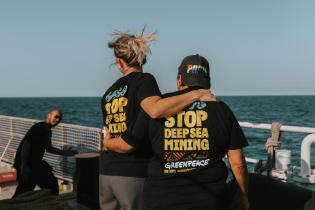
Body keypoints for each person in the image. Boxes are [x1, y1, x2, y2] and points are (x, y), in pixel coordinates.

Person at [104, 54, 249, 210]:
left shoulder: (159, 107)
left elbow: (129, 143)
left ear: (179, 79)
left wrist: (107, 142)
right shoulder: (221, 109)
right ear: (207, 82)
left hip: (160, 199)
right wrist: (243, 195)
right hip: (209, 200)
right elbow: (237, 162)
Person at [100, 28, 216, 210]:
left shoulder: (109, 94)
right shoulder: (144, 80)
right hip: (132, 174)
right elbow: (154, 110)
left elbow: (111, 134)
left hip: (106, 173)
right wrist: (197, 94)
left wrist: (107, 144)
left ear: (119, 63)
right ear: (142, 58)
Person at [13, 108, 78, 197]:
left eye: (60, 119)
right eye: (56, 116)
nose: (58, 120)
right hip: (27, 165)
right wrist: (23, 166)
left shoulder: (47, 131)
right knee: (24, 192)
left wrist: (67, 153)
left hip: (35, 164)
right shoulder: (40, 127)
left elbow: (49, 148)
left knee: (51, 185)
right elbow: (26, 145)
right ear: (49, 115)